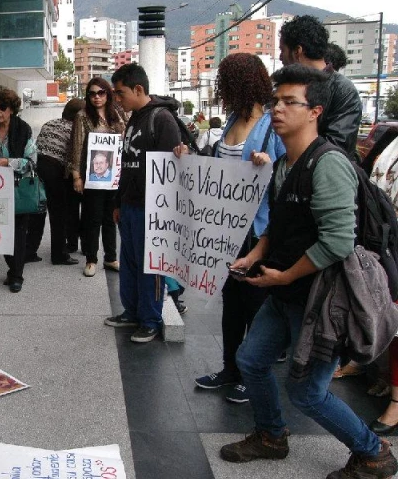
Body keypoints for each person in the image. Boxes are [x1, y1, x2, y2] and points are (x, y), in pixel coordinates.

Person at [219, 64, 398, 479]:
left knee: (307, 392)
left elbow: (337, 242)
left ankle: (374, 454)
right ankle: (270, 435)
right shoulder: (285, 164)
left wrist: (285, 276)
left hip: (322, 300)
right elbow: (278, 227)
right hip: (285, 294)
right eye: (274, 101)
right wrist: (255, 255)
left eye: (289, 102)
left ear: (315, 110)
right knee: (251, 359)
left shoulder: (328, 164)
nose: (277, 109)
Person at [176, 53, 286, 404]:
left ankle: (252, 375)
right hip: (226, 232)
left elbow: (288, 176)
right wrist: (187, 158)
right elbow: (219, 172)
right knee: (232, 304)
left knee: (255, 303)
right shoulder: (232, 123)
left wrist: (270, 165)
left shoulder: (272, 125)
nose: (223, 91)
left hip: (257, 231)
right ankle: (230, 368)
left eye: (227, 83)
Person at [106, 64, 181, 343]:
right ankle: (132, 312)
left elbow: (171, 170)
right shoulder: (134, 120)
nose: (117, 98)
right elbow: (126, 165)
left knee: (151, 267)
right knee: (130, 262)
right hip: (129, 206)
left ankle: (150, 319)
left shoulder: (162, 119)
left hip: (152, 209)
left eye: (120, 92)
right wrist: (118, 201)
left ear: (138, 89)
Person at [279, 15, 362, 157]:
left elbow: (338, 146)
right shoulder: (288, 86)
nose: (281, 57)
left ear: (297, 52)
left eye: (282, 50)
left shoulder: (343, 90)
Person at [0, 89, 37, 293]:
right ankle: (12, 269)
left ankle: (16, 276)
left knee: (19, 235)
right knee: (2, 234)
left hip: (19, 190)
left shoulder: (24, 130)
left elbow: (32, 162)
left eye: (2, 107)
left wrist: (7, 161)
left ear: (12, 109)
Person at [71, 77, 125, 277]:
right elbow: (76, 146)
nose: (96, 97)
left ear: (107, 94)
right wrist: (77, 176)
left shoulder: (117, 114)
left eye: (101, 93)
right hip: (92, 176)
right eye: (92, 93)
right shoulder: (82, 116)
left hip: (114, 176)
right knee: (92, 219)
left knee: (111, 219)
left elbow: (126, 135)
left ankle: (110, 258)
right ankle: (91, 259)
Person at [367, 135, 398, 435]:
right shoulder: (392, 141)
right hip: (387, 242)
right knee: (382, 311)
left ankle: (397, 401)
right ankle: (379, 372)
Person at [33, 98, 84, 266]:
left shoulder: (49, 124)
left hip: (37, 168)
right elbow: (74, 157)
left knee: (38, 212)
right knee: (59, 214)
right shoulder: (75, 130)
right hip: (55, 170)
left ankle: (29, 250)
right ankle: (59, 254)